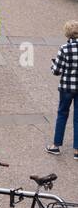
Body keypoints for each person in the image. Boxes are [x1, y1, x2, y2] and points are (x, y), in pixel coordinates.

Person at [46, 20, 78, 158]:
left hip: (66, 87)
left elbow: (57, 71)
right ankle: (77, 150)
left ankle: (56, 145)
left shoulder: (64, 48)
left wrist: (52, 65)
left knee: (62, 114)